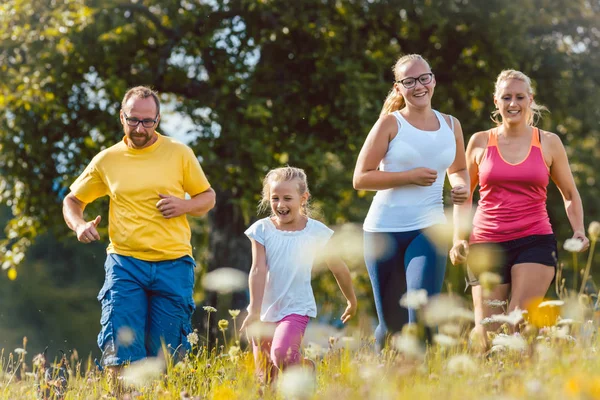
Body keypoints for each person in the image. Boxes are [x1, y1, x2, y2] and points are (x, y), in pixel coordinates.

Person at [62, 86, 216, 371]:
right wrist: (79, 224)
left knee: (166, 360)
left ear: (157, 120)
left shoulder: (179, 153)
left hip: (174, 264)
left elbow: (208, 197)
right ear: (122, 117)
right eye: (133, 120)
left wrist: (183, 206)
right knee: (121, 355)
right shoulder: (107, 160)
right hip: (125, 264)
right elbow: (72, 200)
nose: (140, 128)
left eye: (148, 121)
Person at [449, 70, 590, 346]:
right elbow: (465, 195)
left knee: (517, 322)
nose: (513, 103)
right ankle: (488, 385)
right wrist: (458, 237)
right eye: (506, 97)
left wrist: (579, 230)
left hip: (534, 239)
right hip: (486, 243)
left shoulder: (548, 142)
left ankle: (523, 384)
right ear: (496, 101)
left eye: (519, 97)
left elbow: (570, 193)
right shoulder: (479, 141)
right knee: (488, 331)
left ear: (530, 99)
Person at [353, 54, 469, 349]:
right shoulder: (390, 124)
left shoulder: (451, 125)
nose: (418, 86)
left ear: (433, 80)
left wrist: (459, 187)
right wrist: (408, 176)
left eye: (423, 78)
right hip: (383, 231)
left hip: (429, 227)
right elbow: (361, 178)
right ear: (398, 87)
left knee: (422, 318)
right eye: (409, 81)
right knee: (391, 326)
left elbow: (458, 169)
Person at [239, 166, 357, 383]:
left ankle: (305, 367)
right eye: (274, 198)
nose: (280, 205)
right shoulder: (262, 229)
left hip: (296, 307)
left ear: (303, 198)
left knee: (282, 355)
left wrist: (351, 300)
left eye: (287, 198)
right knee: (266, 378)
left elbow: (337, 266)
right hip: (263, 310)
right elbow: (258, 269)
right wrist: (254, 311)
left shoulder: (316, 231)